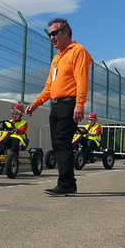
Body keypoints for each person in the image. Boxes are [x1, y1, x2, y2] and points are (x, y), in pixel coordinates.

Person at [26, 18, 91, 195]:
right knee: (58, 145)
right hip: (56, 105)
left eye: (55, 33)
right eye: (50, 34)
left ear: (67, 32)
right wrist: (36, 103)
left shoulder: (78, 51)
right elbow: (49, 86)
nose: (52, 37)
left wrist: (79, 104)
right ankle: (68, 182)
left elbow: (81, 80)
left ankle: (66, 184)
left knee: (63, 144)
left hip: (68, 104)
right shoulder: (57, 58)